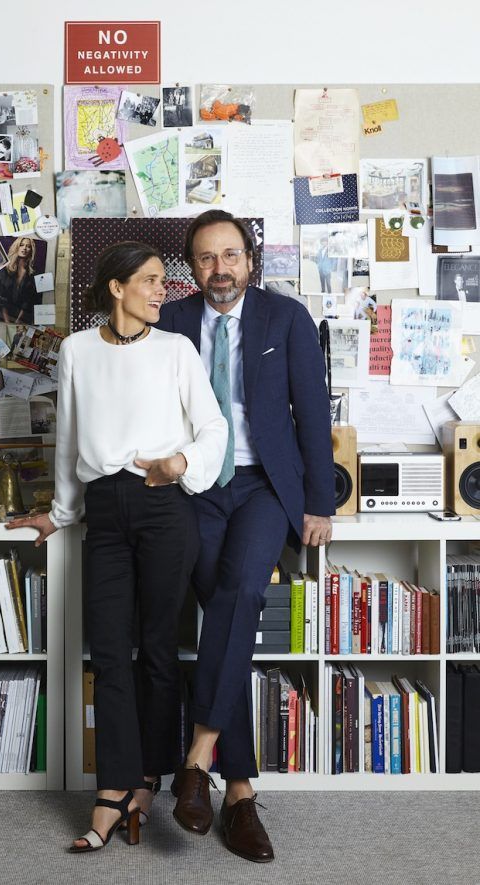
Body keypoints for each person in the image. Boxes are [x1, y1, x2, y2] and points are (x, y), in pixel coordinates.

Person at [6, 241, 228, 853]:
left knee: (158, 650)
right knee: (107, 650)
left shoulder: (177, 350)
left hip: (164, 505)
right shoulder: (76, 350)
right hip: (104, 509)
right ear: (116, 287)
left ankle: (146, 783)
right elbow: (69, 437)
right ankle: (111, 790)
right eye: (152, 281)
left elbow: (215, 429)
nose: (164, 290)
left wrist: (180, 461)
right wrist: (59, 514)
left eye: (164, 281)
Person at [156, 209, 335, 864]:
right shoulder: (170, 322)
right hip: (197, 488)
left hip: (264, 486)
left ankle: (197, 755)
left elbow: (311, 412)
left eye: (230, 255)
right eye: (206, 257)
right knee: (227, 611)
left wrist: (320, 501)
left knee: (239, 592)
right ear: (191, 266)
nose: (220, 268)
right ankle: (238, 791)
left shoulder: (285, 318)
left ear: (250, 260)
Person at [0, 237, 41, 324]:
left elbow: (28, 301)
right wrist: (7, 322)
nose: (24, 248)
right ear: (16, 247)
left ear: (31, 251)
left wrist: (18, 321)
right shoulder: (4, 268)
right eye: (21, 245)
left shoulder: (32, 274)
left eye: (28, 246)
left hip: (21, 319)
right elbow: (2, 298)